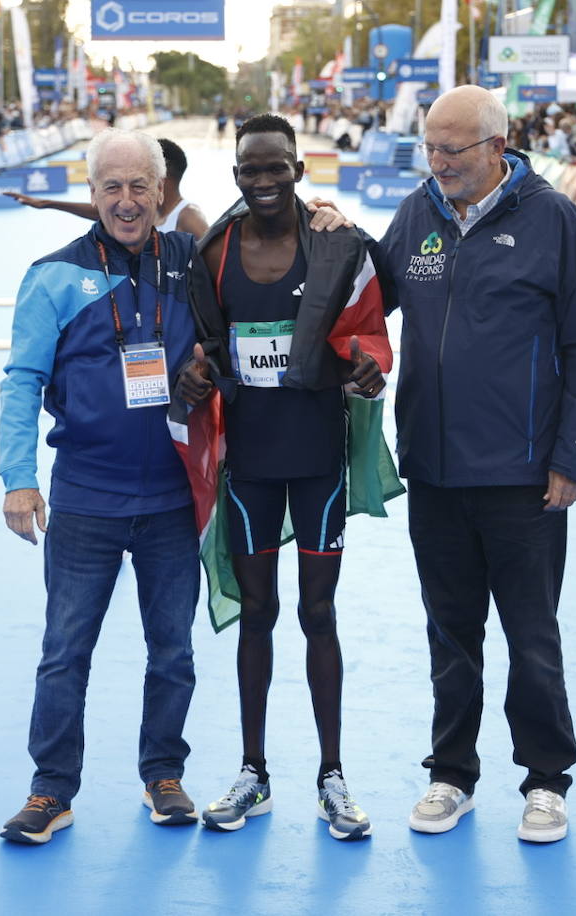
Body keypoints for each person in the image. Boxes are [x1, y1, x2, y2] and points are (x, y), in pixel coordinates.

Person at [372, 86, 576, 843]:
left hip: (524, 477)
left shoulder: (555, 221)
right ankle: (451, 774)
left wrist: (572, 457)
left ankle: (546, 782)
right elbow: (368, 297)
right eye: (430, 148)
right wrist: (327, 235)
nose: (438, 163)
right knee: (450, 635)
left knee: (531, 637)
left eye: (453, 150)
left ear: (497, 146)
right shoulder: (418, 213)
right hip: (436, 472)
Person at [178, 114, 392, 841]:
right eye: (249, 170)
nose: (264, 181)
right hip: (251, 466)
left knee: (318, 614)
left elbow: (371, 327)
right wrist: (198, 372)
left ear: (300, 170)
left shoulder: (337, 244)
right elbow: (204, 343)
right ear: (235, 175)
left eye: (277, 168)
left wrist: (365, 366)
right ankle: (252, 772)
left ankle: (333, 776)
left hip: (318, 462)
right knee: (258, 613)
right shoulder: (216, 251)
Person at [0, 129, 209, 843]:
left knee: (172, 650)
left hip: (174, 502)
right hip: (85, 498)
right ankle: (51, 790)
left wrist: (322, 211)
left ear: (160, 192)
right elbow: (22, 380)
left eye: (138, 186)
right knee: (65, 653)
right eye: (110, 187)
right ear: (92, 196)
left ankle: (164, 775)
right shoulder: (51, 276)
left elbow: (269, 235)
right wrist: (18, 479)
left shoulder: (188, 260)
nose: (125, 200)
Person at [5, 139, 209, 239]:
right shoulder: (151, 210)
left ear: (162, 179)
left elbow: (222, 268)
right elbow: (104, 212)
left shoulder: (189, 216)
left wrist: (236, 325)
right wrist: (47, 203)